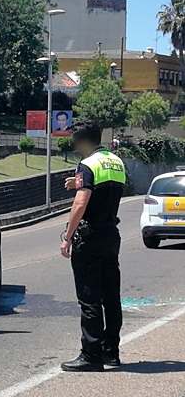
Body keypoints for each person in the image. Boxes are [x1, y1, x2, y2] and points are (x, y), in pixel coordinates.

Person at [58, 121, 126, 372]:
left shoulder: (86, 165)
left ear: (83, 141)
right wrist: (77, 183)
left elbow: (81, 203)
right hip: (111, 235)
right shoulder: (116, 162)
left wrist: (68, 235)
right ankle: (112, 353)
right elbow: (103, 190)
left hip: (90, 237)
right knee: (111, 297)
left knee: (89, 298)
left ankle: (91, 355)